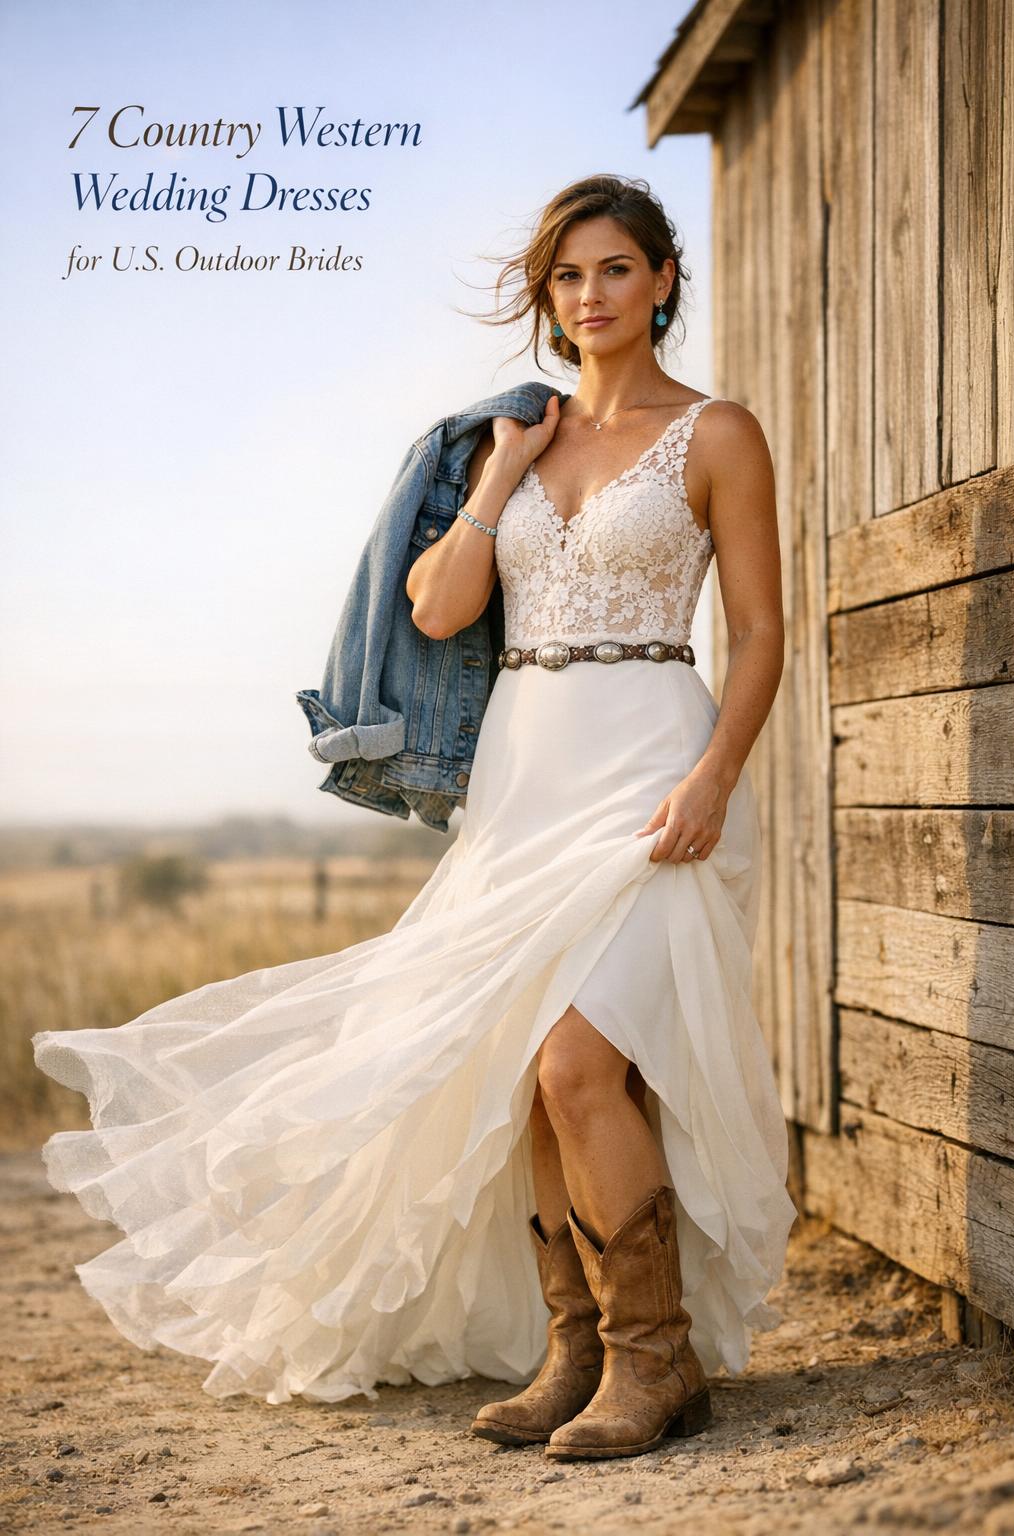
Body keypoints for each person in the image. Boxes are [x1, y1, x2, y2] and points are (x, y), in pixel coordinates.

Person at [33, 173, 798, 1463]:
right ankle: (576, 1350)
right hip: (524, 774)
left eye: (616, 268)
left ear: (664, 279)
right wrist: (500, 476)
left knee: (578, 1064)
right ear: (548, 296)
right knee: (527, 1076)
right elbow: (440, 609)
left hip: (651, 763)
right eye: (568, 276)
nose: (591, 296)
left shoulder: (718, 432)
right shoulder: (511, 439)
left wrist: (716, 773)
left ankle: (653, 1358)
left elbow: (764, 630)